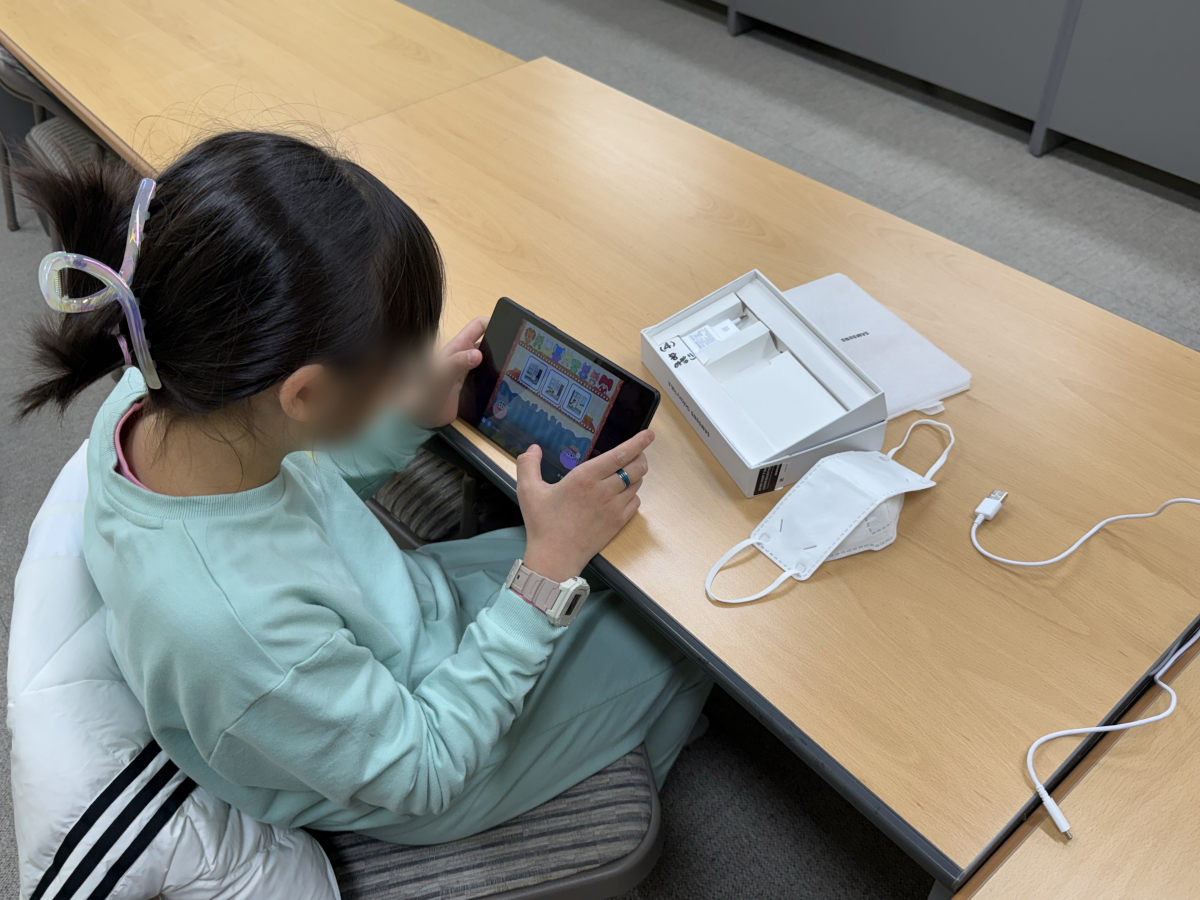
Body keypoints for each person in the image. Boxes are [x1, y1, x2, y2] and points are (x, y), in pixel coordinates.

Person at [15, 132, 710, 843]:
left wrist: (405, 414)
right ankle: (623, 764)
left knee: (615, 566)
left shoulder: (159, 388)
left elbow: (303, 477)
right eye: (391, 371)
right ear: (307, 396)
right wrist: (544, 572)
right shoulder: (234, 629)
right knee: (685, 634)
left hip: (387, 621)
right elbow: (428, 769)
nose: (401, 378)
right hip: (425, 746)